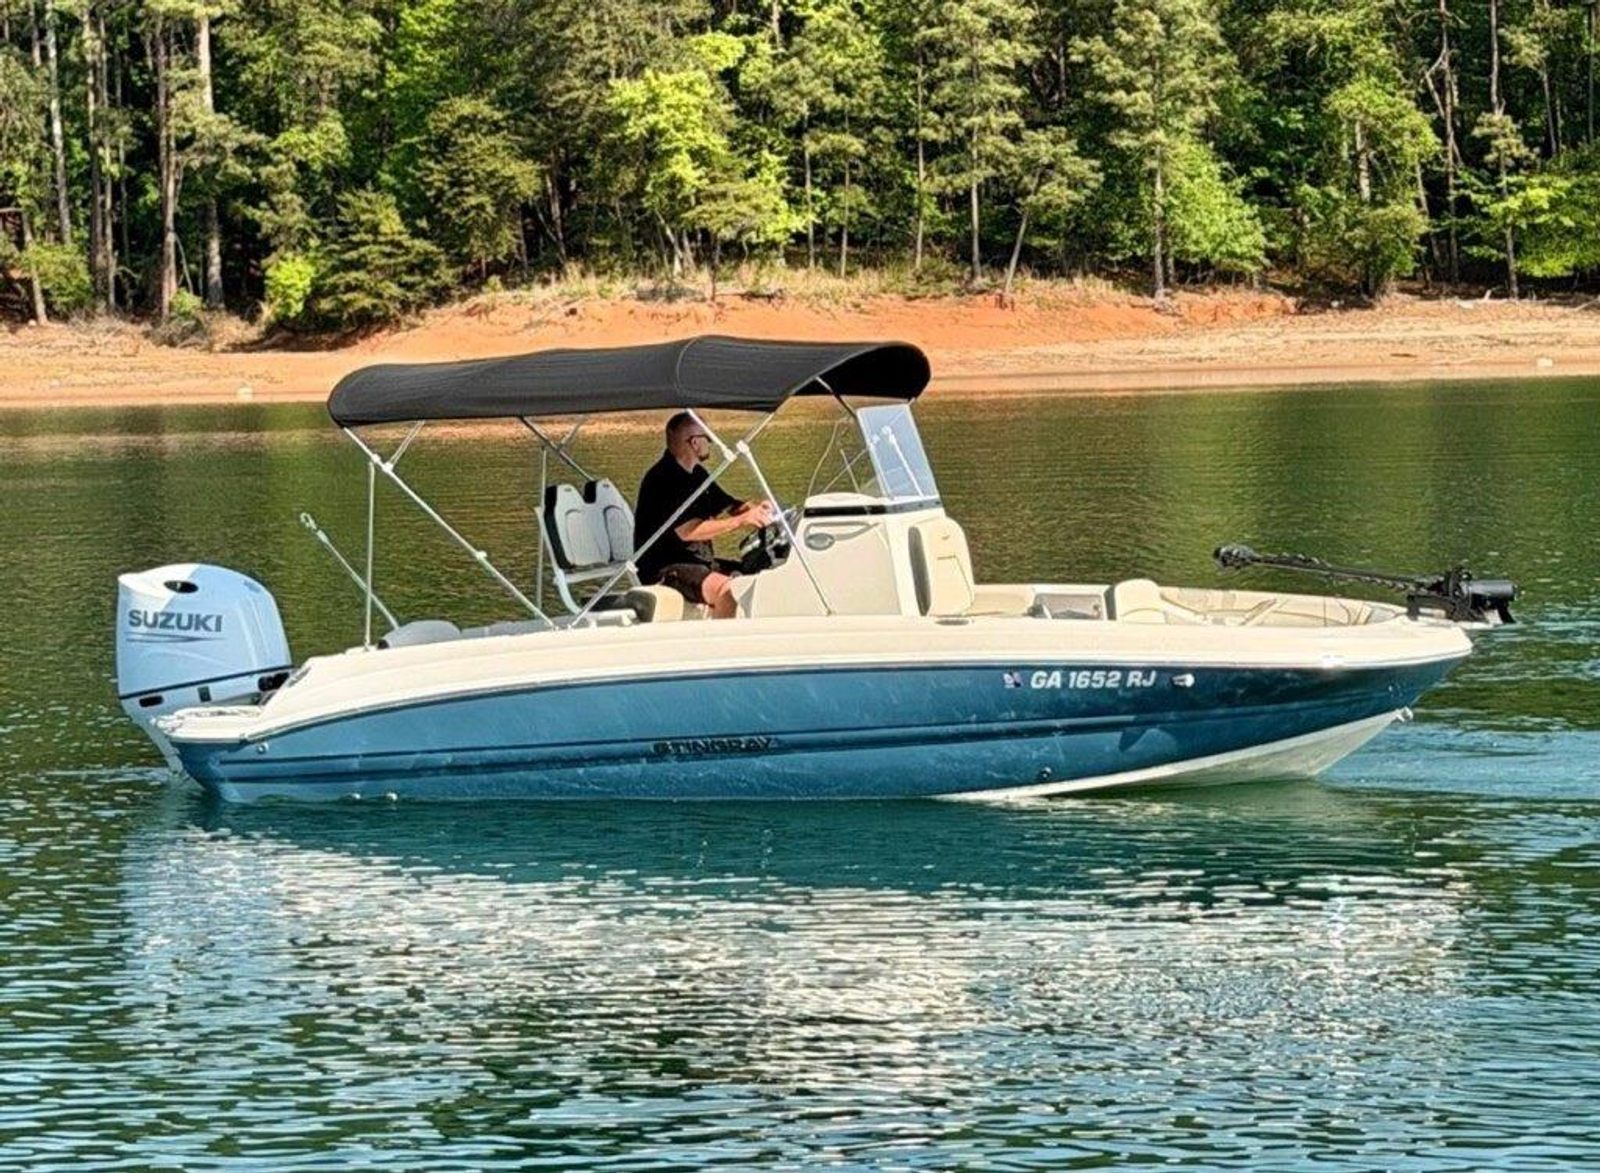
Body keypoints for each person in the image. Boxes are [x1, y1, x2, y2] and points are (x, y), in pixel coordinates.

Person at [633, 412, 775, 618]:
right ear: (695, 442)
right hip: (664, 566)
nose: (710, 444)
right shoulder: (662, 480)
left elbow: (729, 504)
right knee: (727, 590)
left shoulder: (698, 475)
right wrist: (741, 521)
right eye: (707, 438)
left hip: (696, 561)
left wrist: (756, 510)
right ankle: (722, 637)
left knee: (757, 577)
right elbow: (688, 531)